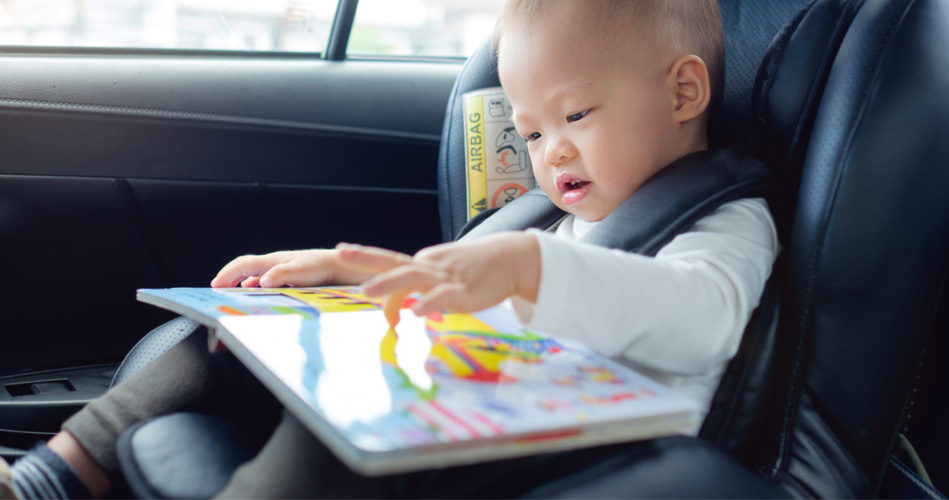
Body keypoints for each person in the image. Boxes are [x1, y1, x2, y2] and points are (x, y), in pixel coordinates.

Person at [0, 0, 779, 498]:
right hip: (476, 390)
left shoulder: (724, 221)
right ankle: (49, 480)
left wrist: (526, 267)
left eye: (576, 114)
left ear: (682, 93)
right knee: (236, 339)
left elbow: (701, 318)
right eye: (532, 131)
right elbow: (458, 290)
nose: (551, 153)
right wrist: (344, 272)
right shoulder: (554, 220)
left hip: (578, 452)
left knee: (349, 414)